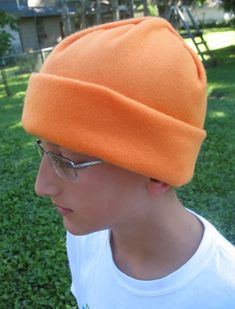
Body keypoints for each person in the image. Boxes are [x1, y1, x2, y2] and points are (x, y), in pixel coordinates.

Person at [21, 16, 235, 308]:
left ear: (157, 173)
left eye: (67, 162)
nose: (41, 185)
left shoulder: (224, 294)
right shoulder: (85, 241)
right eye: (44, 150)